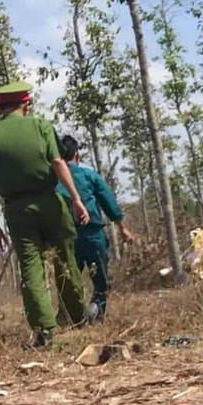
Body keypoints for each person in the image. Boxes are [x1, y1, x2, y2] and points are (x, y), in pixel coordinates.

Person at [0, 81, 89, 348]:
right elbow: (58, 162)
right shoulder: (40, 126)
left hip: (16, 209)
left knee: (31, 267)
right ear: (26, 103)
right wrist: (77, 199)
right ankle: (77, 318)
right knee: (65, 258)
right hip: (49, 201)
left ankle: (45, 330)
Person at [55, 135, 135, 322]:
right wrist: (123, 229)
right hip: (93, 235)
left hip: (66, 238)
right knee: (100, 280)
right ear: (77, 155)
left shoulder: (53, 181)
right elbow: (109, 203)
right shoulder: (89, 176)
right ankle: (96, 313)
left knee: (68, 281)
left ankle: (70, 316)